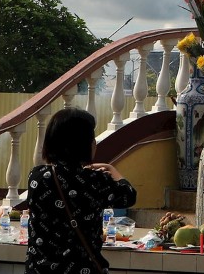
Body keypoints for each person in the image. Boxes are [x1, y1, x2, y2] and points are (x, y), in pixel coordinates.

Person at [25, 107, 136, 274]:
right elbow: (129, 196)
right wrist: (111, 169)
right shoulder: (96, 181)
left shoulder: (37, 176)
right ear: (84, 145)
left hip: (40, 269)